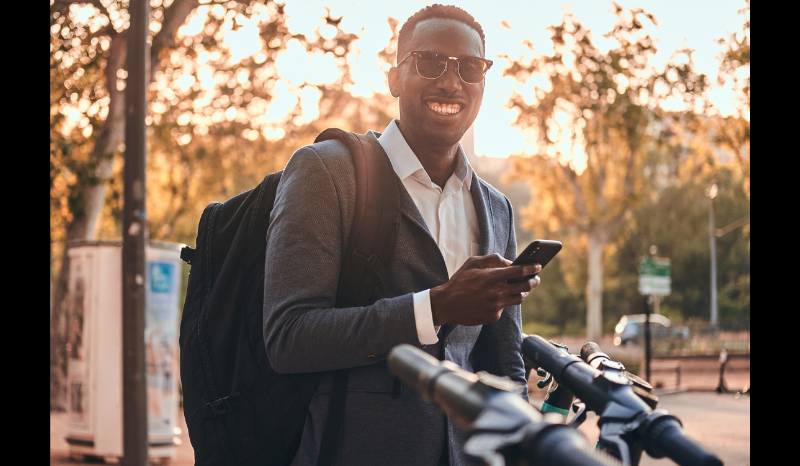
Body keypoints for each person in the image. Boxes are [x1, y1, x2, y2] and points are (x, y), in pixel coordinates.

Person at [263, 4, 542, 466]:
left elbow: (503, 361)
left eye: (470, 68)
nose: (452, 83)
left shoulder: (496, 207)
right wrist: (435, 306)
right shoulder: (327, 172)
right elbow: (289, 337)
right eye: (430, 62)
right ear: (394, 78)